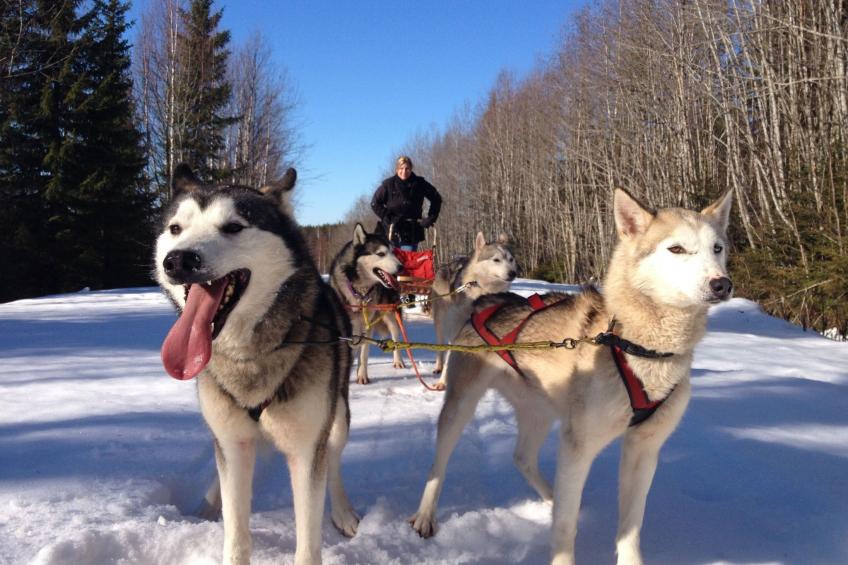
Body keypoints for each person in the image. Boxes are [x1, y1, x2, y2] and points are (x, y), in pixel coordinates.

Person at [370, 156, 441, 251]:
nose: (404, 171)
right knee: (390, 263)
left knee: (407, 263)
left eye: (407, 168)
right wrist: (387, 216)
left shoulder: (419, 183)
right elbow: (375, 203)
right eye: (401, 168)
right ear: (397, 169)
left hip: (410, 232)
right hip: (390, 231)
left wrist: (430, 218)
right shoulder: (388, 184)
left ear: (411, 169)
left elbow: (436, 198)